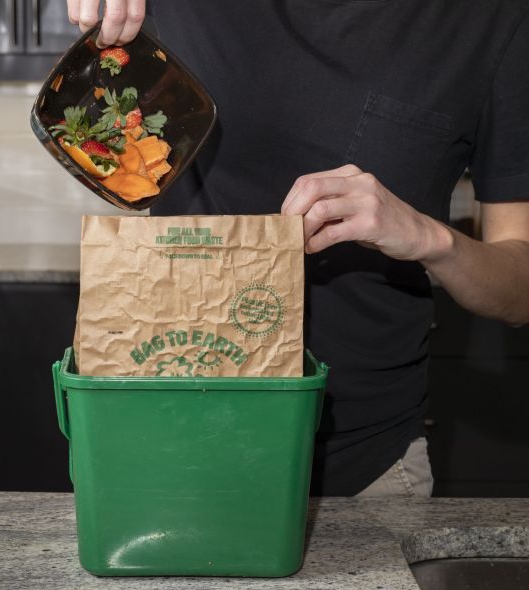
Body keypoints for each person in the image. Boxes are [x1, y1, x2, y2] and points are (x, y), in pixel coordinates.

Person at [66, 0, 529, 496]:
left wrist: (428, 237)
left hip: (367, 468)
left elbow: (519, 291)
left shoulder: (497, 21)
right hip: (167, 441)